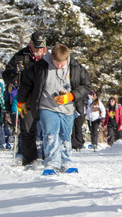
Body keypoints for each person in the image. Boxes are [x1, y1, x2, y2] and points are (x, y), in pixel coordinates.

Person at [16, 42, 92, 174]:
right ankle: (52, 162)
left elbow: (86, 85)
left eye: (62, 63)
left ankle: (66, 161)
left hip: (68, 108)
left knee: (65, 136)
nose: (59, 66)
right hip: (47, 106)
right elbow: (26, 84)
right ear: (52, 58)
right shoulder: (40, 67)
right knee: (51, 134)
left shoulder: (75, 67)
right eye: (56, 63)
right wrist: (21, 101)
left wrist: (71, 96)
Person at [3, 30, 48, 166]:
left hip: (45, 98)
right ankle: (29, 160)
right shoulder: (20, 56)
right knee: (27, 130)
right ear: (31, 44)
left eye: (42, 47)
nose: (39, 50)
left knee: (47, 130)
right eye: (36, 47)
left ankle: (49, 158)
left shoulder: (49, 58)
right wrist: (14, 76)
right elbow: (6, 74)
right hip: (26, 99)